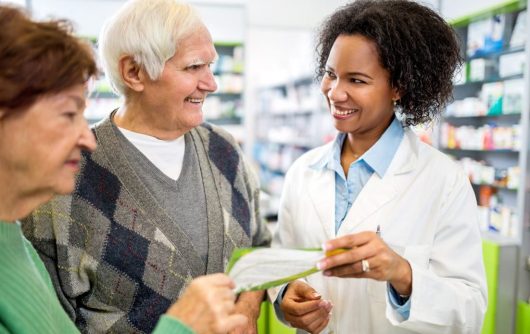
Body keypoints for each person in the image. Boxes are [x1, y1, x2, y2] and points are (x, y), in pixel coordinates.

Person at [21, 0, 271, 333]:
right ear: (134, 72)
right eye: (194, 67)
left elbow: (259, 247)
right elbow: (48, 322)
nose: (211, 83)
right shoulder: (67, 176)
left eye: (211, 65)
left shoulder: (225, 150)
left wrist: (250, 305)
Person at [270, 1, 487, 333]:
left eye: (356, 80)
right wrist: (285, 297)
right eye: (330, 74)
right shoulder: (302, 171)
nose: (334, 92)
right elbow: (282, 263)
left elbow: (470, 310)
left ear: (398, 87)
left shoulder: (443, 181)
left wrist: (402, 273)